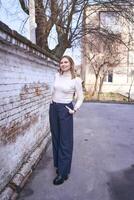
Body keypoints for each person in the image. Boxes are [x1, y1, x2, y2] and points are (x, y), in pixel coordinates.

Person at [49, 55, 84, 185]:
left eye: (66, 62)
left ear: (71, 64)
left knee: (65, 141)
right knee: (56, 138)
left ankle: (63, 174)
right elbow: (53, 91)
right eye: (61, 62)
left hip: (65, 109)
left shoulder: (76, 80)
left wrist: (74, 109)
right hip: (53, 108)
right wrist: (51, 102)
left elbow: (80, 97)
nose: (63, 64)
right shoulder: (56, 76)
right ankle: (60, 168)